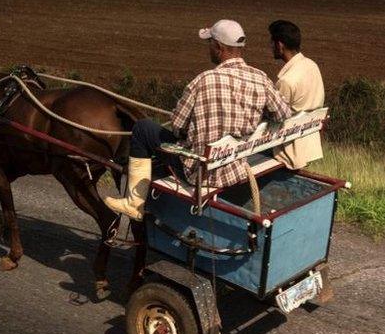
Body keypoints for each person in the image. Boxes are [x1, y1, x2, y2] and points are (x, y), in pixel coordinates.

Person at [104, 19, 293, 221]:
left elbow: (177, 126)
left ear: (219, 47)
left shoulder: (201, 81)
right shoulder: (261, 78)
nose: (208, 48)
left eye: (209, 43)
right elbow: (284, 114)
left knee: (142, 128)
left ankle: (135, 203)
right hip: (236, 168)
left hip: (200, 172)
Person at [268, 20, 325, 169]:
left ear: (280, 45)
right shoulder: (312, 65)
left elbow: (276, 117)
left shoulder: (287, 81)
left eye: (272, 43)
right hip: (311, 143)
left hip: (291, 150)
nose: (271, 47)